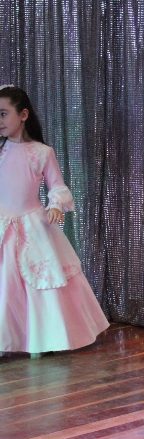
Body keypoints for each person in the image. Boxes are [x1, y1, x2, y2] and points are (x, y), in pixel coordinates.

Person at [0, 85, 109, 358]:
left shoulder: (41, 152)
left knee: (38, 282)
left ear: (23, 115)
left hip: (31, 225)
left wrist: (56, 204)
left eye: (3, 114)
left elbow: (57, 186)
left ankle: (40, 339)